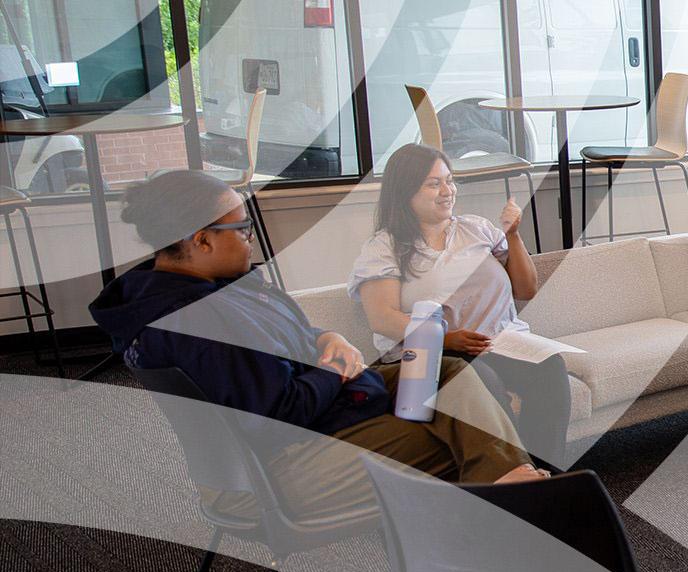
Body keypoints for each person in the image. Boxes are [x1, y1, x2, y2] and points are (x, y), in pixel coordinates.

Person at [91, 170, 544, 520]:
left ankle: (512, 492)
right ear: (202, 239)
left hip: (319, 419)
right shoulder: (202, 321)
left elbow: (281, 341)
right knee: (459, 434)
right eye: (241, 227)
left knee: (447, 373)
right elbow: (275, 415)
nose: (250, 236)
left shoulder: (200, 287)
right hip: (277, 469)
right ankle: (524, 509)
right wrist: (332, 372)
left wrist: (325, 338)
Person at [350, 143, 571, 461]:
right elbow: (382, 318)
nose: (446, 191)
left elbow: (526, 289)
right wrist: (447, 337)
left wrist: (513, 235)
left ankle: (546, 476)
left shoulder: (476, 229)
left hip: (499, 344)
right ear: (405, 191)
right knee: (483, 382)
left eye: (449, 180)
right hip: (434, 352)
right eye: (433, 183)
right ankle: (509, 478)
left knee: (549, 369)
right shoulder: (384, 246)